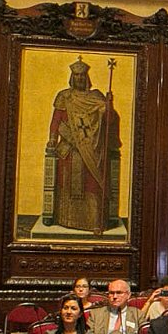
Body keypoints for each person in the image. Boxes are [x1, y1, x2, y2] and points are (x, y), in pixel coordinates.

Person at [43, 57, 120, 234]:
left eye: (82, 76)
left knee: (92, 184)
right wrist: (53, 139)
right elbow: (56, 121)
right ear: (72, 77)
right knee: (67, 182)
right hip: (69, 149)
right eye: (76, 76)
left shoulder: (96, 97)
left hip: (92, 150)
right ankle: (65, 220)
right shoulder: (65, 96)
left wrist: (109, 106)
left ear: (86, 78)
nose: (79, 79)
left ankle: (94, 222)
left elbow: (108, 121)